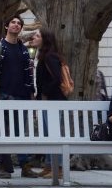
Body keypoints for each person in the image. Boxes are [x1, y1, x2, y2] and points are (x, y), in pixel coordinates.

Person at [0, 15, 35, 179]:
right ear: (6, 26)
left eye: (19, 23)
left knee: (21, 134)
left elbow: (29, 74)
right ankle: (3, 167)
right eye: (13, 22)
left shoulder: (24, 49)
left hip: (23, 97)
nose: (16, 25)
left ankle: (25, 166)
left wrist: (31, 95)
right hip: (5, 96)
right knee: (3, 133)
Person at [30, 28, 66, 180]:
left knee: (54, 135)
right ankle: (49, 166)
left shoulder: (50, 57)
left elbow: (57, 79)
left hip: (53, 102)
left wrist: (44, 93)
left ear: (45, 39)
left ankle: (58, 169)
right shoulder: (43, 56)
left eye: (38, 35)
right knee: (47, 134)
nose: (34, 37)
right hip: (47, 102)